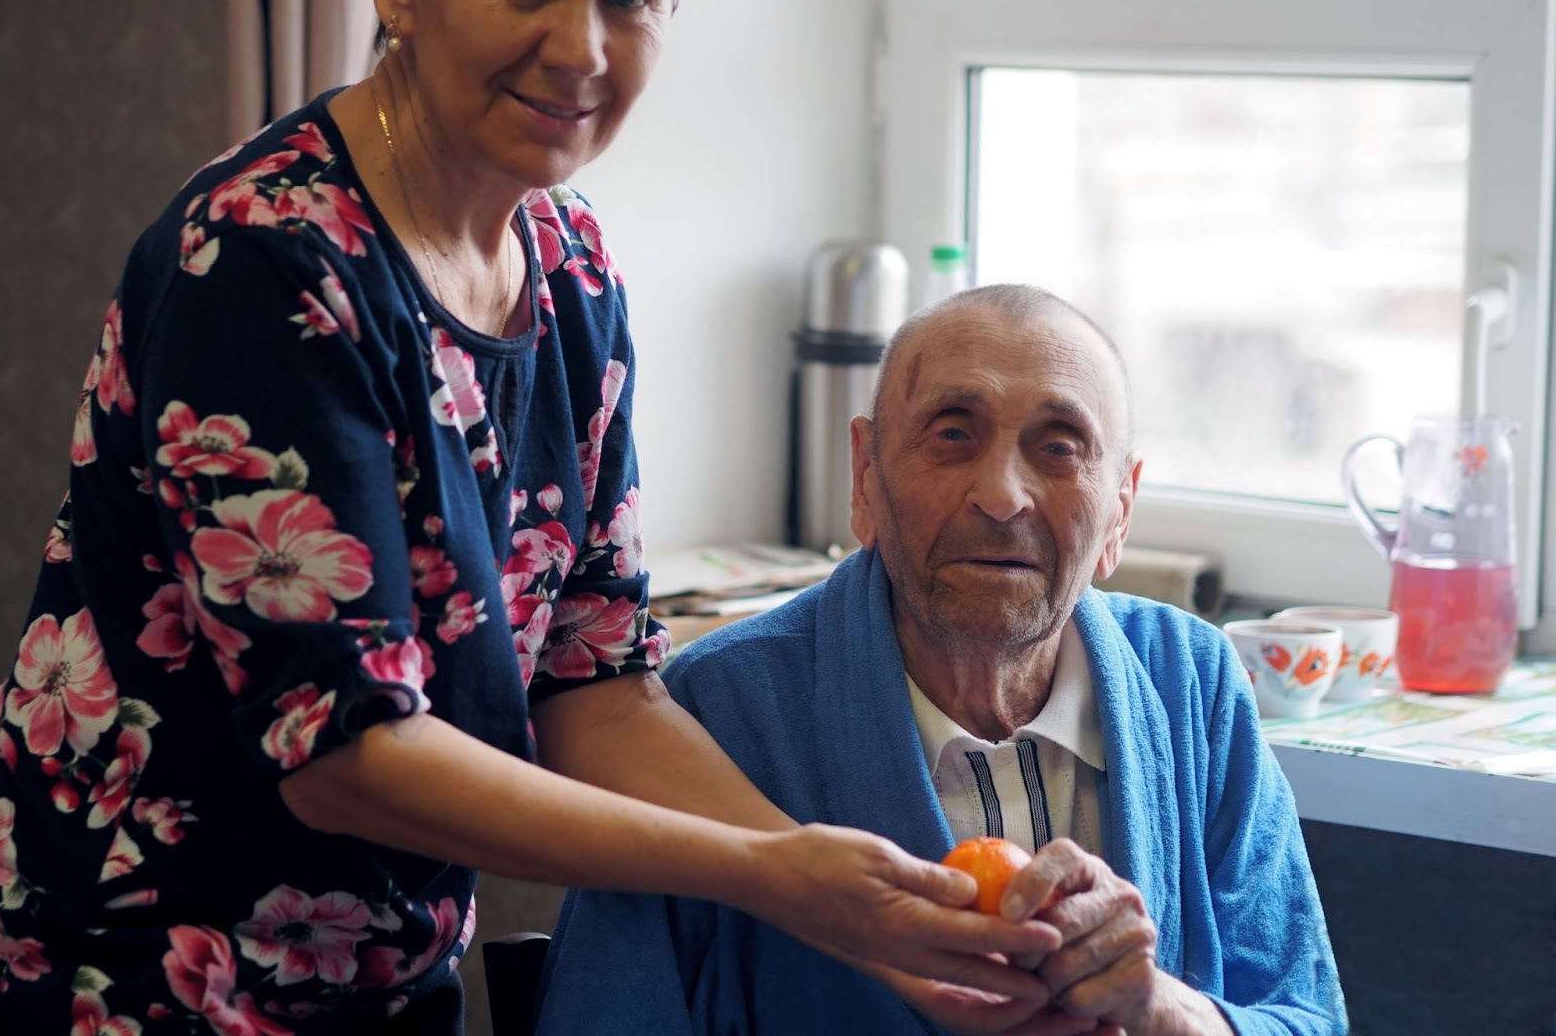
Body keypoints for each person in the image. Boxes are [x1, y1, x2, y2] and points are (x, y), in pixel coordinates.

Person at [0, 0, 1057, 1031]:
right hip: (130, 974)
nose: (583, 48)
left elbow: (596, 683)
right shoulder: (265, 259)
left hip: (386, 979)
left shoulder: (570, 266)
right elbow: (345, 758)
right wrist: (762, 876)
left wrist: (854, 906)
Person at [540, 284, 1349, 1036]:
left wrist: (1159, 1004)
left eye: (1060, 447)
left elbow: (1307, 1014)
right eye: (953, 433)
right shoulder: (715, 710)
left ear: (1121, 512)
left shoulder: (1192, 681)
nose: (1002, 495)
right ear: (865, 475)